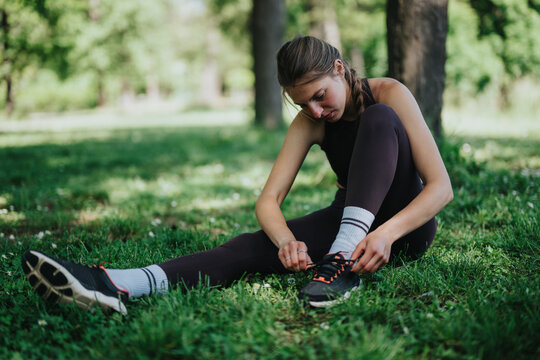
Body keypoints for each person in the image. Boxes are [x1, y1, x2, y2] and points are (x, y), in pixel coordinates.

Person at [21, 36, 453, 314]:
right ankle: (118, 284)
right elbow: (268, 201)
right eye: (303, 105)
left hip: (404, 227)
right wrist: (287, 242)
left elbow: (440, 188)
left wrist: (385, 234)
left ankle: (340, 263)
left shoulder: (391, 93)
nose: (316, 111)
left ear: (339, 69)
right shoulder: (311, 122)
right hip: (349, 223)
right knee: (250, 246)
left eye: (320, 96)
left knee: (378, 119)